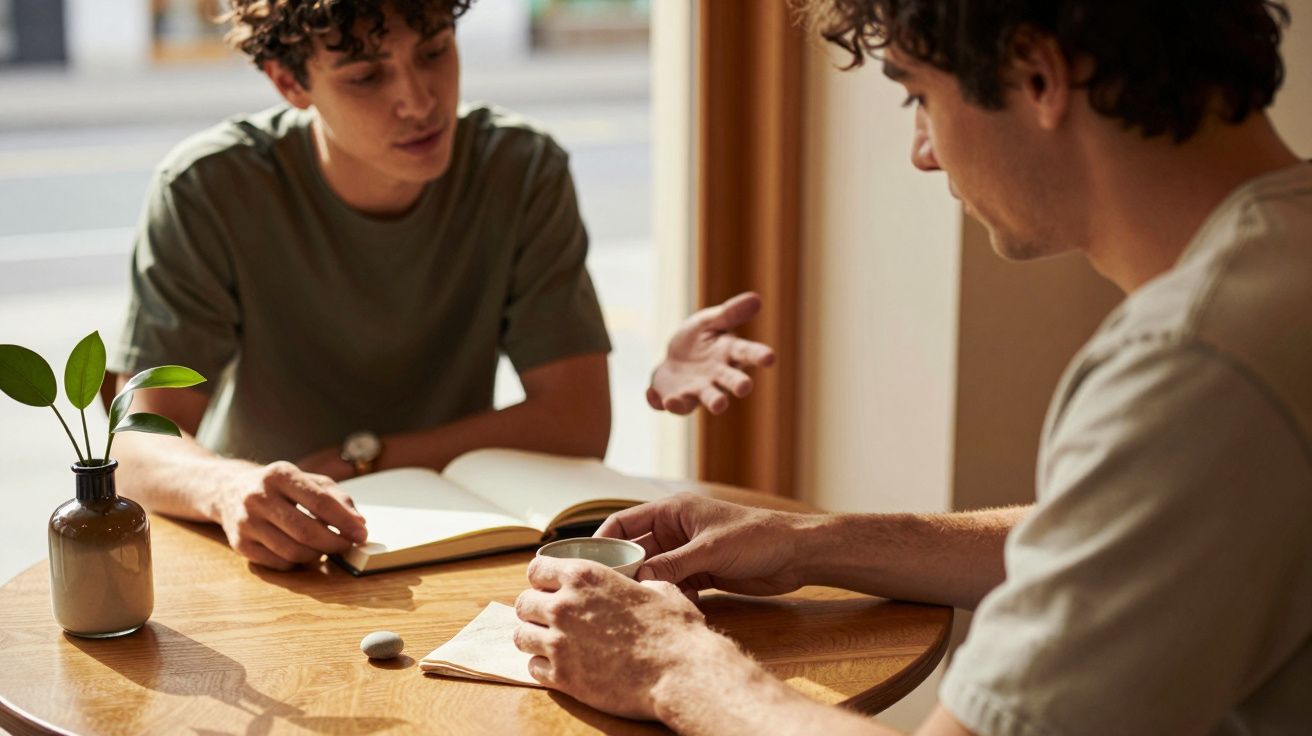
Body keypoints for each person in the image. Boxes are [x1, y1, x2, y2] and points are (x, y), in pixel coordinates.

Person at [513, 1, 1312, 734]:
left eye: (918, 97)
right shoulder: (1279, 266)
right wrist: (803, 543)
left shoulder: (1191, 366)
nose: (923, 154)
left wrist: (670, 666)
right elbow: (1116, 539)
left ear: (1038, 75)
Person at [106, 0, 613, 571]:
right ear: (289, 82)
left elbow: (578, 419)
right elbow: (138, 440)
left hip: (465, 542)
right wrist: (227, 488)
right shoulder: (209, 187)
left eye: (435, 50)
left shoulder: (520, 169)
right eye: (367, 76)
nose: (419, 101)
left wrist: (359, 460)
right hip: (275, 549)